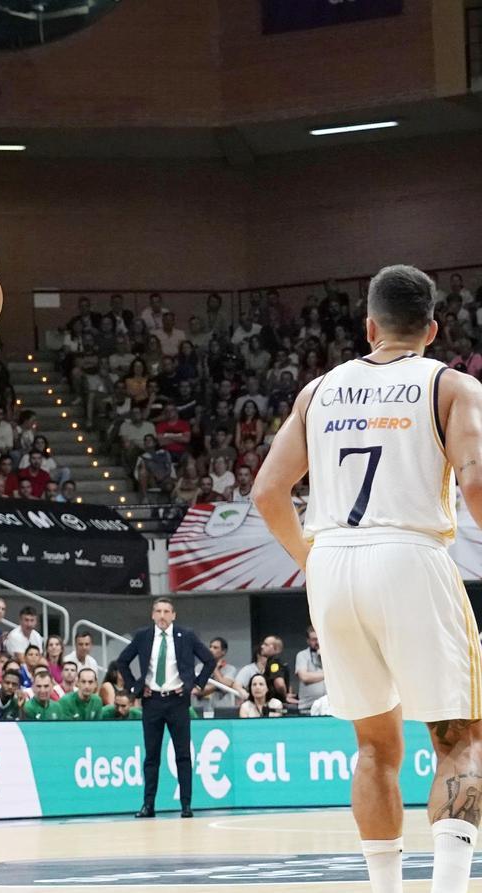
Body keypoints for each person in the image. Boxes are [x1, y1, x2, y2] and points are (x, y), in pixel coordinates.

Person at [253, 264, 482, 893]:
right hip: (410, 554)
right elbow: (477, 482)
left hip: (333, 561)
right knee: (460, 743)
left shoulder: (317, 391)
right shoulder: (452, 385)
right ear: (432, 329)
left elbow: (269, 492)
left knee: (375, 748)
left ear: (370, 326)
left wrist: (312, 562)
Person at [116, 597, 215, 820]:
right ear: (152, 615)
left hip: (178, 700)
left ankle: (186, 805)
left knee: (183, 755)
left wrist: (195, 685)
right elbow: (122, 661)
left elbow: (209, 660)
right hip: (152, 701)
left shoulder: (185, 635)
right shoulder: (143, 636)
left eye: (166, 611)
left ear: (174, 615)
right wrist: (136, 688)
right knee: (151, 756)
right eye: (158, 611)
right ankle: (148, 804)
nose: (162, 616)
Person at [294, 626, 327, 715]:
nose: (317, 642)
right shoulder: (302, 655)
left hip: (328, 707)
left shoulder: (329, 655)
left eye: (319, 638)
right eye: (314, 639)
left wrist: (322, 657)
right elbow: (304, 677)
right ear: (308, 641)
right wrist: (328, 674)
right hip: (307, 706)